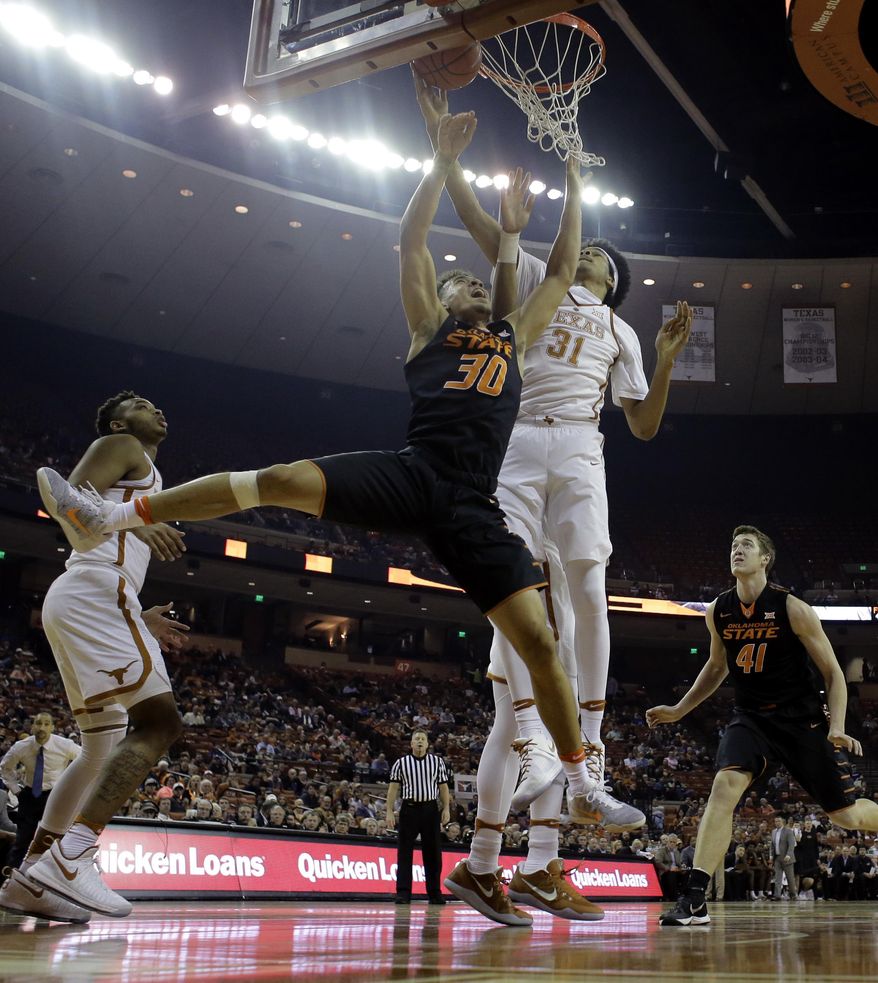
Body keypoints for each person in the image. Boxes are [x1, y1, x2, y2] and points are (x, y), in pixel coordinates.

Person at [38, 112, 606, 824]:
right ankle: (112, 512)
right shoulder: (429, 330)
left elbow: (557, 270)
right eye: (454, 280)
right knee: (273, 479)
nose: (462, 283)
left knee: (540, 640)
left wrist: (576, 181)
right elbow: (411, 242)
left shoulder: (514, 336)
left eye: (471, 279)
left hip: (471, 503)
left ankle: (581, 779)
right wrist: (439, 162)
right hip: (412, 471)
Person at [415, 75, 691, 922]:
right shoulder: (546, 281)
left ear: (619, 285)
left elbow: (642, 424)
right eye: (591, 254)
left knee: (585, 586)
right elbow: (478, 224)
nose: (595, 261)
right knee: (520, 657)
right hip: (517, 439)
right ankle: (526, 846)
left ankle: (560, 804)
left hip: (579, 444)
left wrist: (671, 355)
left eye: (609, 261)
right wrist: (446, 160)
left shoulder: (622, 330)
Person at [3, 392, 188, 922]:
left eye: (156, 403)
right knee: (160, 723)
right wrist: (130, 519)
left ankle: (30, 878)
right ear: (116, 420)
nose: (157, 407)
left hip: (92, 593)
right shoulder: (122, 443)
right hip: (94, 590)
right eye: (141, 402)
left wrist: (136, 609)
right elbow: (67, 506)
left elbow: (93, 525)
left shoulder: (144, 471)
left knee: (99, 746)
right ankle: (73, 857)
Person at [647, 525, 878, 927]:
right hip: (751, 717)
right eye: (734, 545)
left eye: (747, 545)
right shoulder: (718, 610)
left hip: (801, 718)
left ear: (765, 558)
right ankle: (696, 898)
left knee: (847, 817)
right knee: (723, 787)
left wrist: (837, 725)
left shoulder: (792, 608)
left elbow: (834, 675)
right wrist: (680, 709)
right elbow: (717, 667)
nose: (737, 550)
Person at [0, 713, 80, 869]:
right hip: (29, 795)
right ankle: (11, 877)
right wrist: (17, 791)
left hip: (55, 795)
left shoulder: (65, 745)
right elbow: (5, 768)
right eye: (38, 723)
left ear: (52, 727)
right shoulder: (21, 746)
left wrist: (71, 785)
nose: (41, 727)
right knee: (22, 841)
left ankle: (57, 878)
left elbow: (85, 759)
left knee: (59, 840)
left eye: (46, 724)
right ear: (32, 726)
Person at [385, 730, 451, 904]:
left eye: (423, 739)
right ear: (411, 744)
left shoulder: (437, 762)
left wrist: (446, 809)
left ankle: (434, 892)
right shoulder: (401, 763)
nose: (420, 742)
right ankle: (403, 892)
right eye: (417, 739)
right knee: (404, 852)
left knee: (433, 852)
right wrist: (389, 811)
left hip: (430, 809)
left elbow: (443, 788)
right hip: (409, 809)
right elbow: (393, 789)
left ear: (428, 744)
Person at [769, 815, 797, 900]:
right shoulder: (773, 831)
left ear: (782, 822)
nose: (777, 823)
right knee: (777, 877)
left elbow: (791, 844)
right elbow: (772, 845)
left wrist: (789, 855)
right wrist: (771, 856)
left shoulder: (788, 831)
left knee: (790, 878)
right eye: (776, 821)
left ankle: (793, 895)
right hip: (777, 858)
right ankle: (777, 896)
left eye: (779, 821)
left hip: (786, 857)